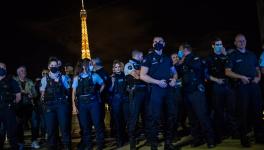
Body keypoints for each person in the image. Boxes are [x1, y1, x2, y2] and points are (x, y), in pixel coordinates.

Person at [225, 34, 264, 147]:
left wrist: (258, 78)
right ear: (235, 43)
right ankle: (244, 138)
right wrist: (241, 77)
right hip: (242, 88)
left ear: (246, 41)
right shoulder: (232, 56)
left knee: (257, 112)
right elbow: (227, 72)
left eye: (243, 41)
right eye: (239, 41)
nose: (242, 43)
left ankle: (259, 136)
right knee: (243, 114)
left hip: (254, 86)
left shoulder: (251, 54)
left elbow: (257, 69)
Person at [140, 36, 178, 150]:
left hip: (168, 90)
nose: (157, 43)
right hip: (156, 91)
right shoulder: (148, 58)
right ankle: (154, 145)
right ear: (152, 44)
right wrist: (157, 82)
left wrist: (174, 79)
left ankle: (168, 143)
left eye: (160, 41)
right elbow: (142, 75)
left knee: (171, 117)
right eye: (155, 42)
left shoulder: (167, 58)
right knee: (154, 118)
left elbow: (174, 73)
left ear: (164, 43)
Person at [180, 42, 216, 148]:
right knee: (192, 119)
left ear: (185, 50)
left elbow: (197, 67)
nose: (179, 52)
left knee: (202, 116)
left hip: (196, 92)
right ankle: (197, 139)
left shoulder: (194, 58)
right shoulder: (183, 61)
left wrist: (184, 61)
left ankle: (210, 140)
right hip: (187, 93)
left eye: (180, 50)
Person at [206, 38, 237, 143]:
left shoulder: (227, 56)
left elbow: (233, 68)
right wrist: (216, 80)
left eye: (221, 44)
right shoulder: (209, 58)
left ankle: (233, 132)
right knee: (218, 111)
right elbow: (206, 74)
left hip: (228, 85)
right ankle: (220, 134)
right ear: (213, 46)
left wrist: (226, 55)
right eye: (217, 44)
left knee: (231, 110)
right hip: (217, 86)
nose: (220, 45)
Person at [72, 58, 105, 150]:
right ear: (84, 66)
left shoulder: (95, 75)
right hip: (82, 104)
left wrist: (98, 92)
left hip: (93, 102)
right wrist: (74, 106)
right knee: (85, 126)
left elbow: (103, 84)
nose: (91, 66)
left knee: (97, 124)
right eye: (89, 64)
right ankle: (88, 145)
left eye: (92, 64)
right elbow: (73, 93)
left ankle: (100, 145)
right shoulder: (77, 78)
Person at [40, 57, 71, 150]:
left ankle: (67, 146)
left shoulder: (63, 77)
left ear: (58, 66)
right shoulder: (44, 79)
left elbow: (68, 90)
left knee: (64, 127)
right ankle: (52, 146)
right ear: (49, 67)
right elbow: (42, 93)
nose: (53, 67)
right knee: (50, 129)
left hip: (61, 104)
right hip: (49, 106)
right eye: (51, 65)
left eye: (55, 65)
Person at [124, 49, 148, 150]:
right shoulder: (128, 65)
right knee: (134, 118)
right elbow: (138, 76)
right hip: (135, 94)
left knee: (147, 117)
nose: (143, 58)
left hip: (145, 93)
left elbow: (141, 75)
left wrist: (141, 73)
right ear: (137, 56)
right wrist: (143, 73)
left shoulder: (141, 64)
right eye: (142, 56)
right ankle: (133, 143)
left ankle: (149, 139)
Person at [13, 66, 39, 149]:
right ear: (18, 73)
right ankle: (21, 143)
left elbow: (35, 94)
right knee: (19, 125)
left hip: (29, 105)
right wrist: (22, 92)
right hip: (19, 106)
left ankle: (34, 141)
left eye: (24, 70)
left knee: (34, 123)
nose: (23, 71)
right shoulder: (14, 81)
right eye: (21, 70)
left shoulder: (30, 81)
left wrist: (32, 94)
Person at [0, 62, 21, 150]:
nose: (1, 69)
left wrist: (12, 105)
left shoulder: (12, 81)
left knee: (12, 132)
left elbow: (18, 97)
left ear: (6, 69)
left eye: (3, 68)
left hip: (8, 109)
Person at [109, 60, 129, 148]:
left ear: (121, 67)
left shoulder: (125, 76)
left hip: (125, 99)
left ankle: (125, 138)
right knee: (118, 121)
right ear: (113, 68)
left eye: (119, 66)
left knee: (125, 120)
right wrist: (112, 82)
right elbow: (109, 91)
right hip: (116, 101)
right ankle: (119, 141)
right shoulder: (111, 77)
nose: (117, 68)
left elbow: (128, 88)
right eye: (115, 67)